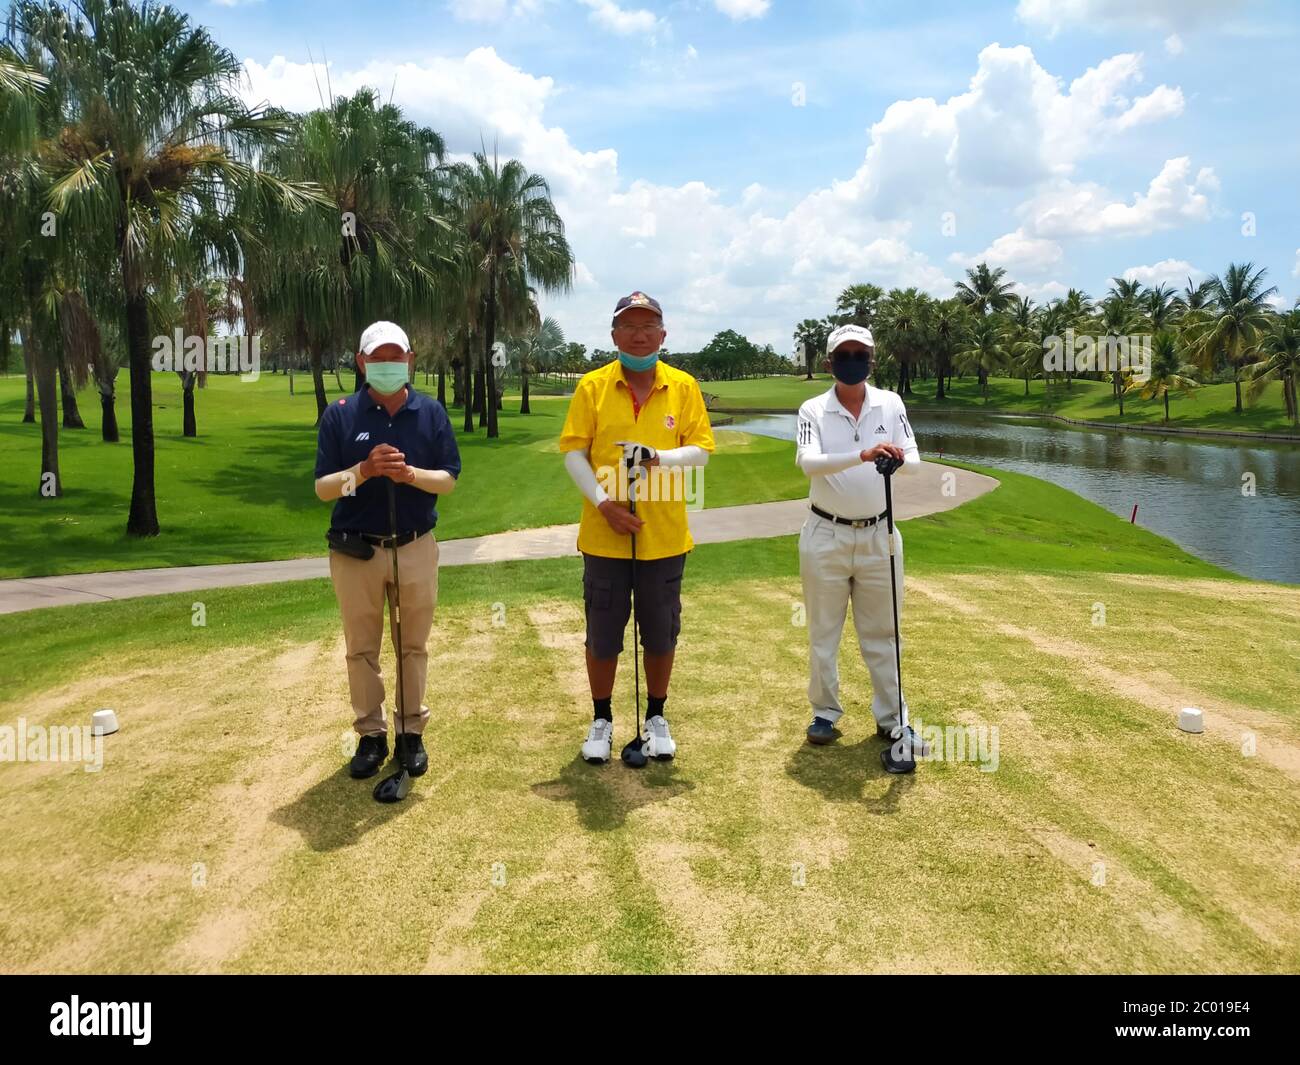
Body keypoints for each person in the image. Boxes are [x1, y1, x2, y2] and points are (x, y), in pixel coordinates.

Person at [558, 292, 715, 766]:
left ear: (663, 334)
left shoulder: (683, 386)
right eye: (630, 325)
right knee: (603, 633)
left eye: (649, 325)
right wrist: (605, 504)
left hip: (664, 534)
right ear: (614, 335)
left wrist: (657, 457)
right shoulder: (592, 386)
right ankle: (602, 719)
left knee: (661, 633)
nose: (640, 333)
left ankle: (655, 717)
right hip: (605, 534)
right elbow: (573, 452)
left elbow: (702, 450)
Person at [314, 321, 461, 780]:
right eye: (377, 359)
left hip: (415, 546)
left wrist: (409, 475)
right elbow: (323, 488)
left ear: (410, 361)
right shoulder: (340, 415)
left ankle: (411, 733)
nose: (387, 365)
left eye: (396, 357)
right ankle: (371, 736)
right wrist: (363, 469)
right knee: (361, 649)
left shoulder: (431, 413)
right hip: (357, 551)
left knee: (412, 646)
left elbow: (449, 478)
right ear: (361, 363)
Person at [794, 324, 927, 761]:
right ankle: (825, 713)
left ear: (872, 360)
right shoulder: (812, 409)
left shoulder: (890, 403)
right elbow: (808, 463)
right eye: (844, 354)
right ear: (830, 362)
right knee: (823, 631)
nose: (853, 360)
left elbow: (915, 461)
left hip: (880, 534)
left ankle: (893, 719)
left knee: (884, 632)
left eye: (861, 353)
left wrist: (896, 459)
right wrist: (866, 454)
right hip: (825, 534)